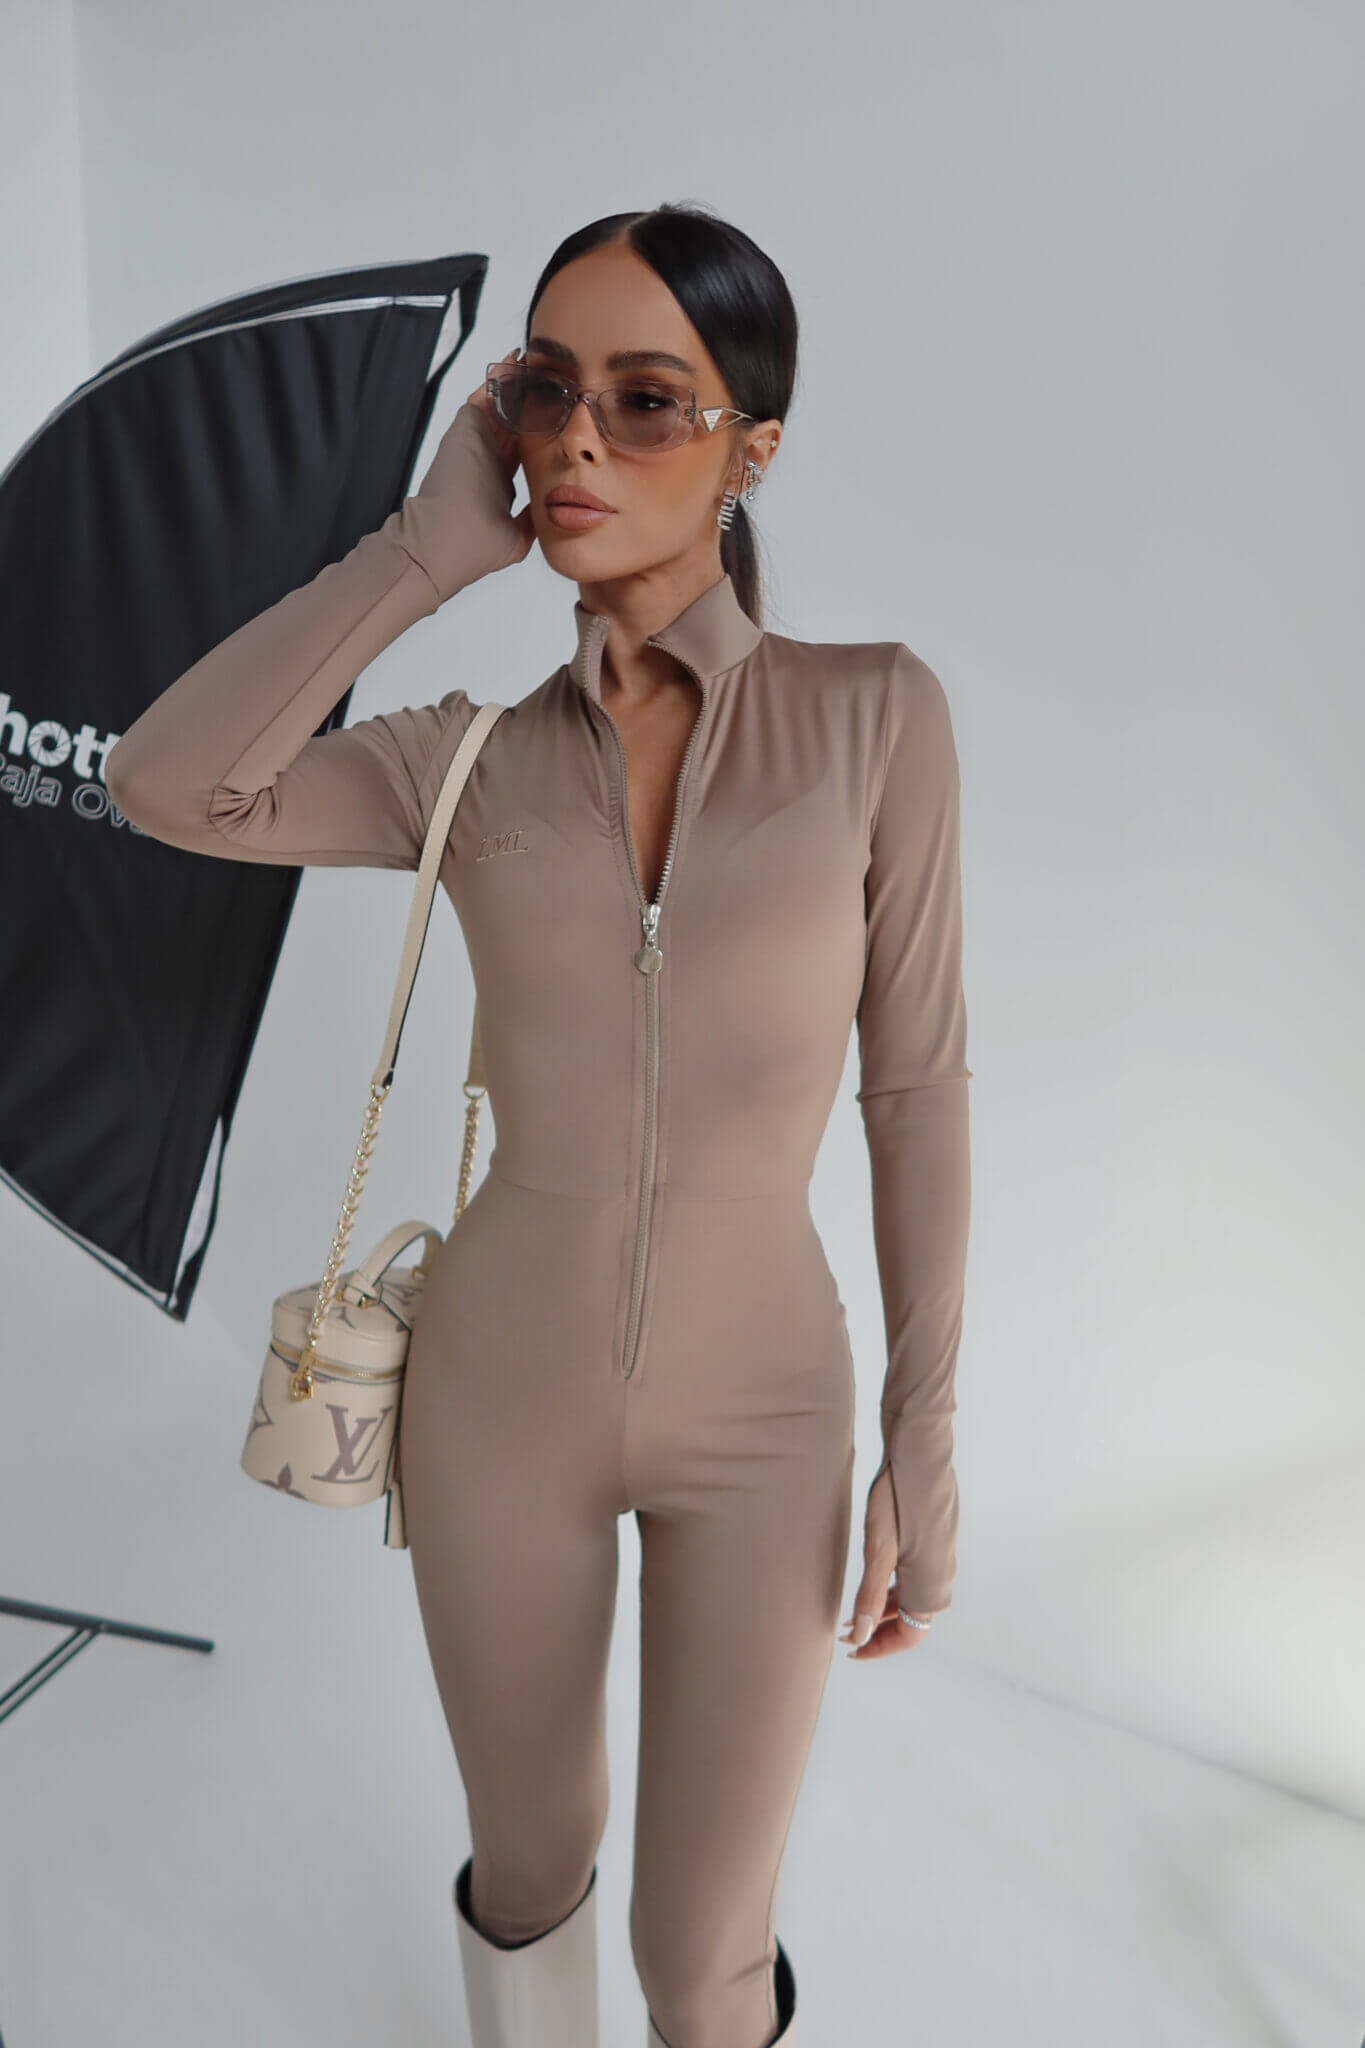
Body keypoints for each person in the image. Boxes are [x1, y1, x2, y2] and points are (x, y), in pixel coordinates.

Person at [104, 201, 973, 2048]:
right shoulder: (461, 759)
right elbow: (166, 782)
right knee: (528, 1868)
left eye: (646, 401)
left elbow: (914, 1088)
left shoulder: (874, 721)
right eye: (545, 393)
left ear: (750, 447)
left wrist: (924, 1428)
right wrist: (424, 552)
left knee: (699, 1955)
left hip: (768, 1415)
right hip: (496, 1403)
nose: (578, 440)